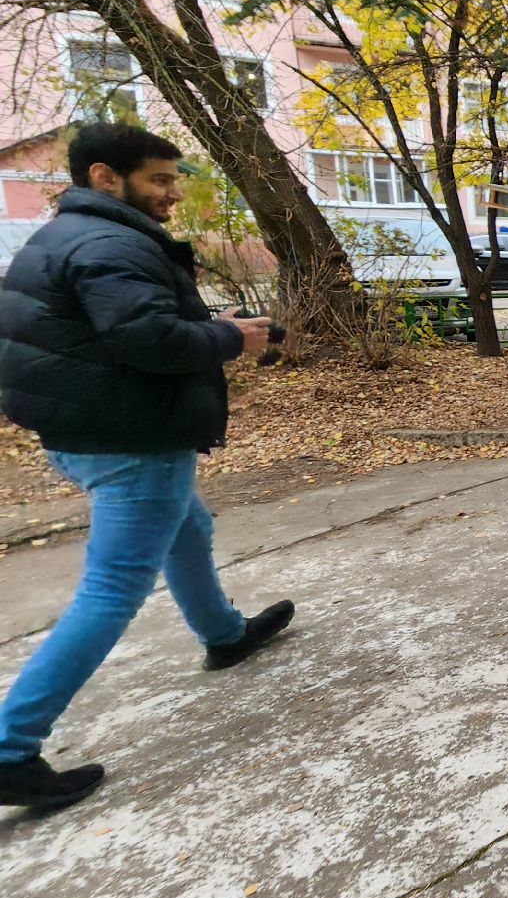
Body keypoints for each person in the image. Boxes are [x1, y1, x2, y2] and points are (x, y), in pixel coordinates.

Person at [0, 124, 292, 811]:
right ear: (106, 177)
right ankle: (10, 748)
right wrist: (229, 338)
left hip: (86, 428)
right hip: (129, 441)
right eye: (159, 180)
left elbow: (109, 330)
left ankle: (224, 635)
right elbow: (147, 339)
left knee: (188, 527)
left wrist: (213, 326)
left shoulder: (68, 235)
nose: (171, 194)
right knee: (113, 589)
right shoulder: (111, 242)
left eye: (172, 180)